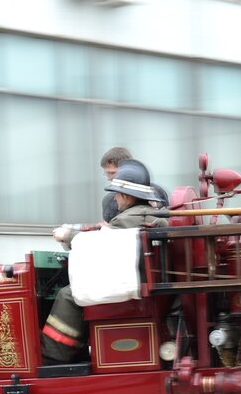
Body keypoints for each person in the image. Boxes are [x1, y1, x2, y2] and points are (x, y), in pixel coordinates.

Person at [42, 160, 165, 364]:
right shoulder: (149, 214)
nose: (115, 198)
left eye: (117, 193)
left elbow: (102, 244)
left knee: (68, 294)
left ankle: (53, 357)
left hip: (135, 284)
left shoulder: (130, 218)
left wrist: (67, 235)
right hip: (141, 279)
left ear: (126, 196)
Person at [100, 146, 168, 222]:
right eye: (107, 173)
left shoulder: (156, 192)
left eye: (112, 173)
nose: (109, 178)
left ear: (128, 171)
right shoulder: (109, 201)